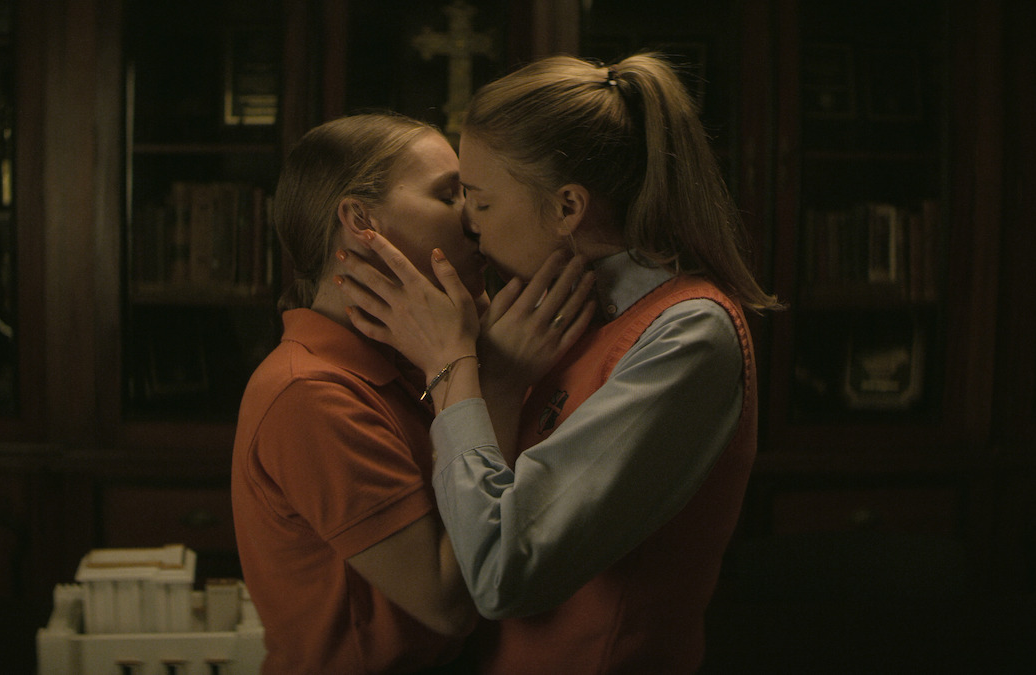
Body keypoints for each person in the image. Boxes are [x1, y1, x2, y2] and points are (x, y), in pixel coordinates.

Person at [337, 53, 782, 674]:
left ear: (568, 209)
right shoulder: (544, 314)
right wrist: (490, 378)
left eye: (481, 202)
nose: (467, 225)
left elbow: (499, 574)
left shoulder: (688, 335)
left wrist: (451, 367)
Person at [232, 112, 492, 674]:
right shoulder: (310, 393)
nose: (474, 220)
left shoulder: (403, 361)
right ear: (360, 219)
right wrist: (501, 384)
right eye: (449, 196)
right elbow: (446, 605)